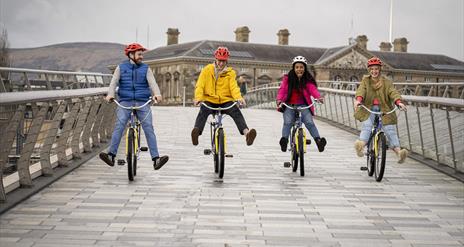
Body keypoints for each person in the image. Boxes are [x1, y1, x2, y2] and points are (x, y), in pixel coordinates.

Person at [99, 43, 169, 170]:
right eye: (139, 54)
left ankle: (156, 159)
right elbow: (113, 83)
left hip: (143, 102)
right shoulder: (121, 68)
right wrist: (110, 95)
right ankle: (111, 155)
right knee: (119, 126)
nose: (142, 56)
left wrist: (157, 94)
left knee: (148, 127)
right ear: (131, 55)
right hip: (125, 101)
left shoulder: (146, 68)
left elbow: (152, 83)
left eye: (142, 54)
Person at [191, 46, 257, 146]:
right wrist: (198, 98)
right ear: (215, 59)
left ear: (227, 61)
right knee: (203, 110)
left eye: (224, 61)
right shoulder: (206, 70)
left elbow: (233, 87)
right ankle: (196, 133)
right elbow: (200, 85)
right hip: (210, 100)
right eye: (219, 60)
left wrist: (239, 98)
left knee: (236, 111)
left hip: (225, 101)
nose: (221, 63)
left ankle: (247, 134)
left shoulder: (230, 73)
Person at [353, 56, 408, 163]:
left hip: (384, 109)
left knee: (390, 130)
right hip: (368, 108)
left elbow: (393, 92)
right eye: (372, 69)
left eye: (376, 69)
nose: (374, 71)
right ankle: (361, 146)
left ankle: (399, 152)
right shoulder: (366, 81)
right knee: (367, 126)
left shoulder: (386, 82)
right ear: (369, 70)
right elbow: (361, 91)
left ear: (380, 69)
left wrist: (399, 102)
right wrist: (358, 100)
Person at [276, 56, 327, 152]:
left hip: (303, 105)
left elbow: (313, 89)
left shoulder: (307, 79)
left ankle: (319, 142)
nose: (299, 69)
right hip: (290, 105)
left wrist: (318, 97)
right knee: (287, 122)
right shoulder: (288, 78)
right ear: (294, 68)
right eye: (297, 67)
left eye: (301, 67)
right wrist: (279, 99)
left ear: (305, 68)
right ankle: (284, 141)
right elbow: (282, 90)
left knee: (309, 122)